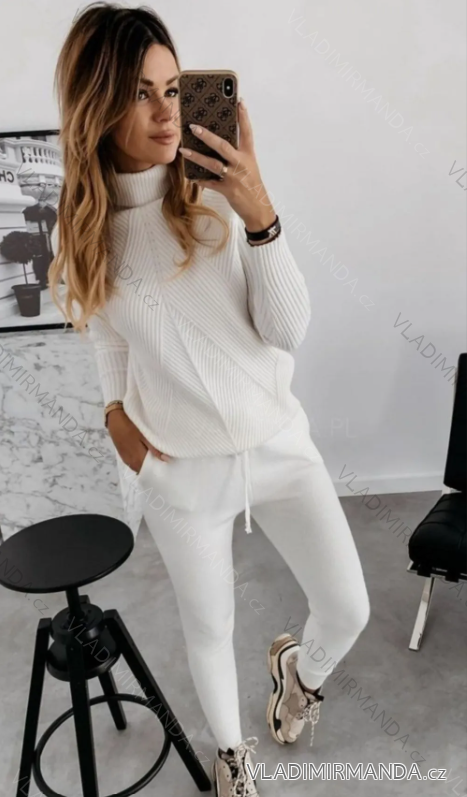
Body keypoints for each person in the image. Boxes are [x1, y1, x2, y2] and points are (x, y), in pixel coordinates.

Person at [49, 4, 370, 795]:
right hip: (181, 471)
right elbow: (108, 336)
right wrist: (118, 421)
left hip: (278, 445)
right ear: (97, 106)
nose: (166, 112)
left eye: (172, 88)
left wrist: (260, 212)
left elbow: (286, 330)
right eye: (140, 93)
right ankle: (230, 756)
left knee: (348, 607)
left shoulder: (217, 192)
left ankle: (299, 673)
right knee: (210, 628)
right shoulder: (85, 232)